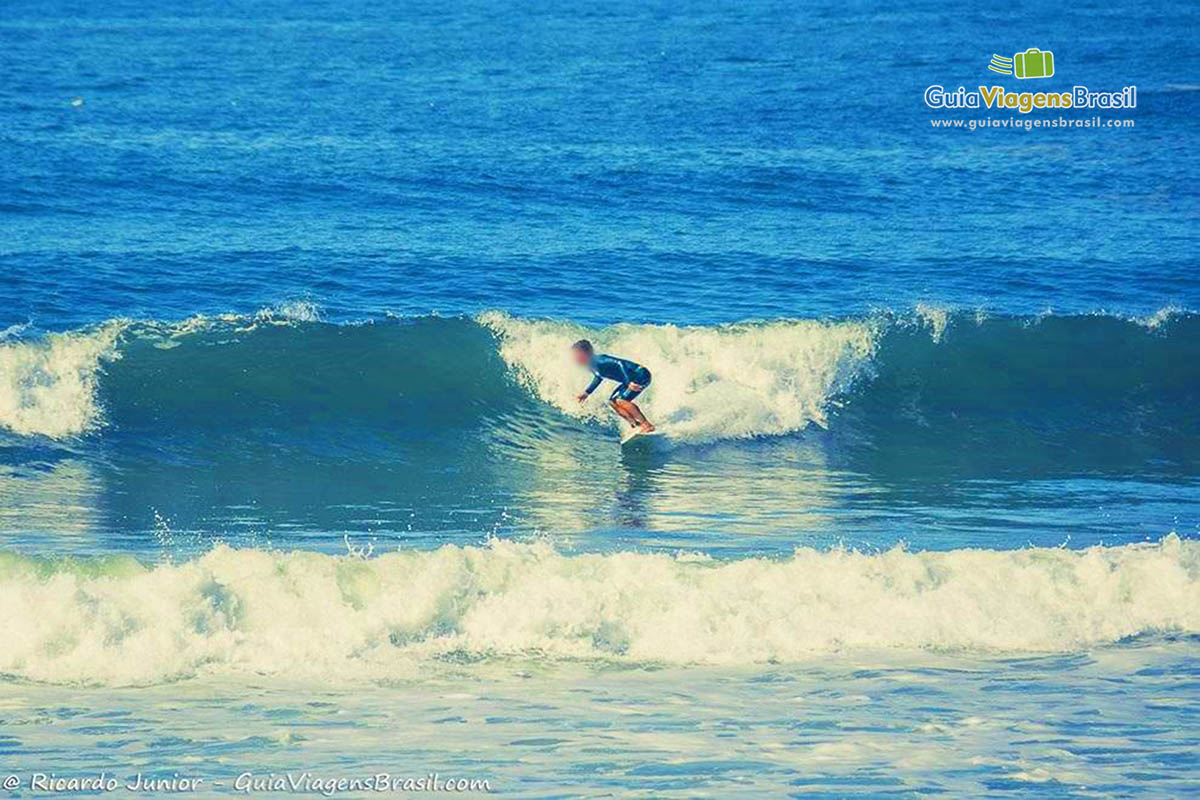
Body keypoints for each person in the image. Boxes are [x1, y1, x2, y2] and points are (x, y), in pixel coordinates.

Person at [571, 339, 655, 433]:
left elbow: (620, 363)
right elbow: (599, 377)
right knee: (612, 401)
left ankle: (647, 425)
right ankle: (635, 424)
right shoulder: (591, 365)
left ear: (583, 354)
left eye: (575, 355)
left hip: (640, 374)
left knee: (621, 400)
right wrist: (586, 393)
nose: (574, 358)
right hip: (630, 379)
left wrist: (629, 382)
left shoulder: (599, 360)